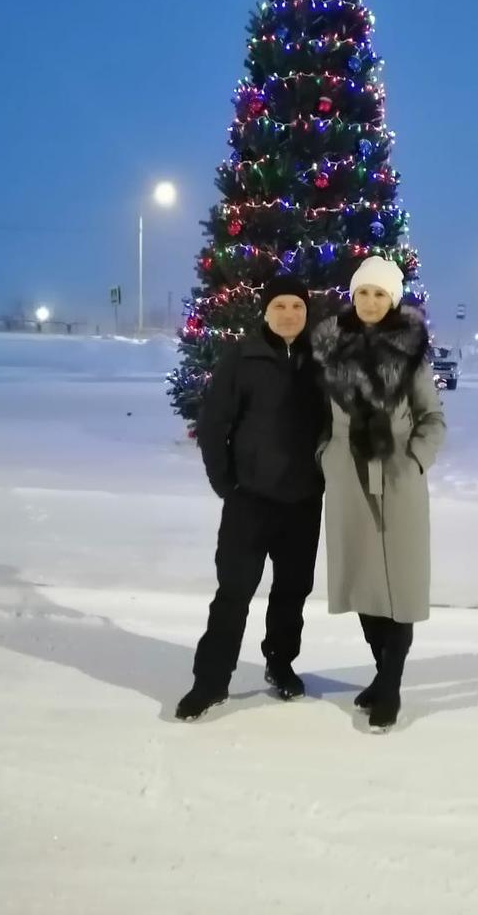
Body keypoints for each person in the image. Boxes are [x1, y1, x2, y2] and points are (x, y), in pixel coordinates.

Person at [175, 276, 325, 721]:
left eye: (297, 306)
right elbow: (213, 425)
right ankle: (210, 682)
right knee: (233, 592)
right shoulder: (241, 358)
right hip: (250, 501)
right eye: (280, 305)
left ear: (306, 312)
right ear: (266, 311)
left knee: (292, 592)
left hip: (303, 501)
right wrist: (227, 485)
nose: (289, 314)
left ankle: (280, 664)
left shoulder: (321, 361)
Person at [311, 256, 446, 732]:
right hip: (348, 483)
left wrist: (415, 461)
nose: (370, 302)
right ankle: (381, 673)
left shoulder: (411, 354)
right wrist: (326, 454)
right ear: (354, 296)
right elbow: (319, 417)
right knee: (364, 583)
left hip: (398, 482)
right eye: (364, 293)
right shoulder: (329, 349)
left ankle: (390, 685)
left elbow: (433, 418)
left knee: (399, 589)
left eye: (380, 294)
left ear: (393, 300)